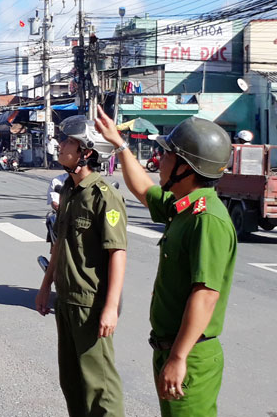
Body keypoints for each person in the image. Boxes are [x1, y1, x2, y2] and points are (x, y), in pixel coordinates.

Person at [95, 109, 236, 417]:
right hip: (170, 348)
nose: (160, 161)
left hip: (190, 354)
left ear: (186, 168)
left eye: (168, 156)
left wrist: (179, 357)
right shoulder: (185, 207)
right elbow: (144, 191)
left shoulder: (207, 220)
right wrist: (120, 145)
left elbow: (206, 294)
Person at [35, 115, 128, 417]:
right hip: (65, 300)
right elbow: (59, 243)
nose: (60, 146)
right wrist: (45, 285)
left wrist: (111, 307)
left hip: (91, 304)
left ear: (86, 152)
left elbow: (117, 252)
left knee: (100, 388)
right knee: (72, 383)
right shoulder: (67, 191)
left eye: (67, 142)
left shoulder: (104, 197)